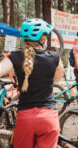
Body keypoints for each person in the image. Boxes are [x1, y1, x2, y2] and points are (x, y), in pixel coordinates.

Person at [0, 19, 64, 148]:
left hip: (26, 119)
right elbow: (56, 79)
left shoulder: (15, 57)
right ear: (42, 38)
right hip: (49, 118)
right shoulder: (54, 57)